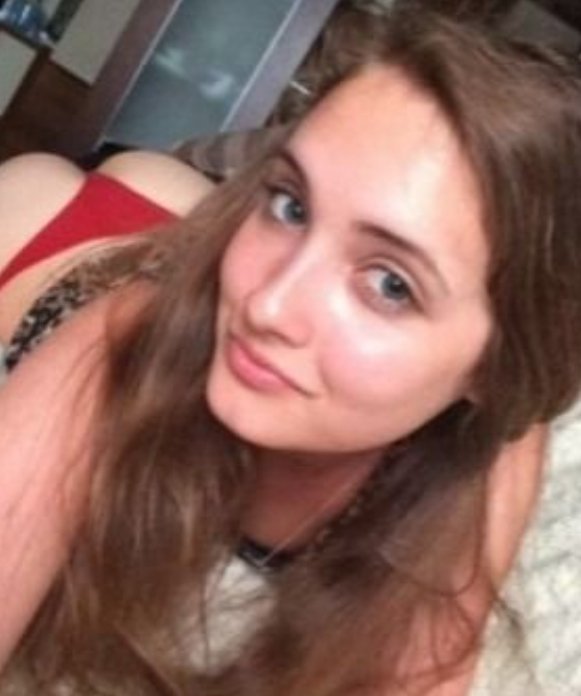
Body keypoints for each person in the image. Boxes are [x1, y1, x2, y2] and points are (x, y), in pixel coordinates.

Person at [0, 8, 579, 696]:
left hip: (173, 224)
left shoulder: (495, 452)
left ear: (493, 371)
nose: (266, 306)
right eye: (290, 204)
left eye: (390, 285)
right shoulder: (119, 342)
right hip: (59, 243)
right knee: (81, 180)